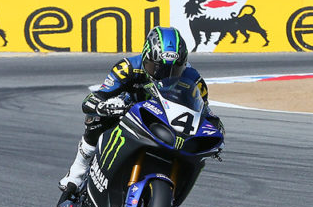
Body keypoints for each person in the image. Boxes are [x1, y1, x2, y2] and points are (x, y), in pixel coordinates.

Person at [58, 25, 220, 195]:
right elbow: (93, 99)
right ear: (145, 58)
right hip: (129, 116)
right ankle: (77, 171)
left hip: (166, 124)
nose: (164, 76)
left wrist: (215, 126)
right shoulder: (127, 68)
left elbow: (203, 111)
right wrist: (104, 106)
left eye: (174, 71)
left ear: (184, 64)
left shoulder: (194, 79)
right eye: (157, 68)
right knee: (96, 119)